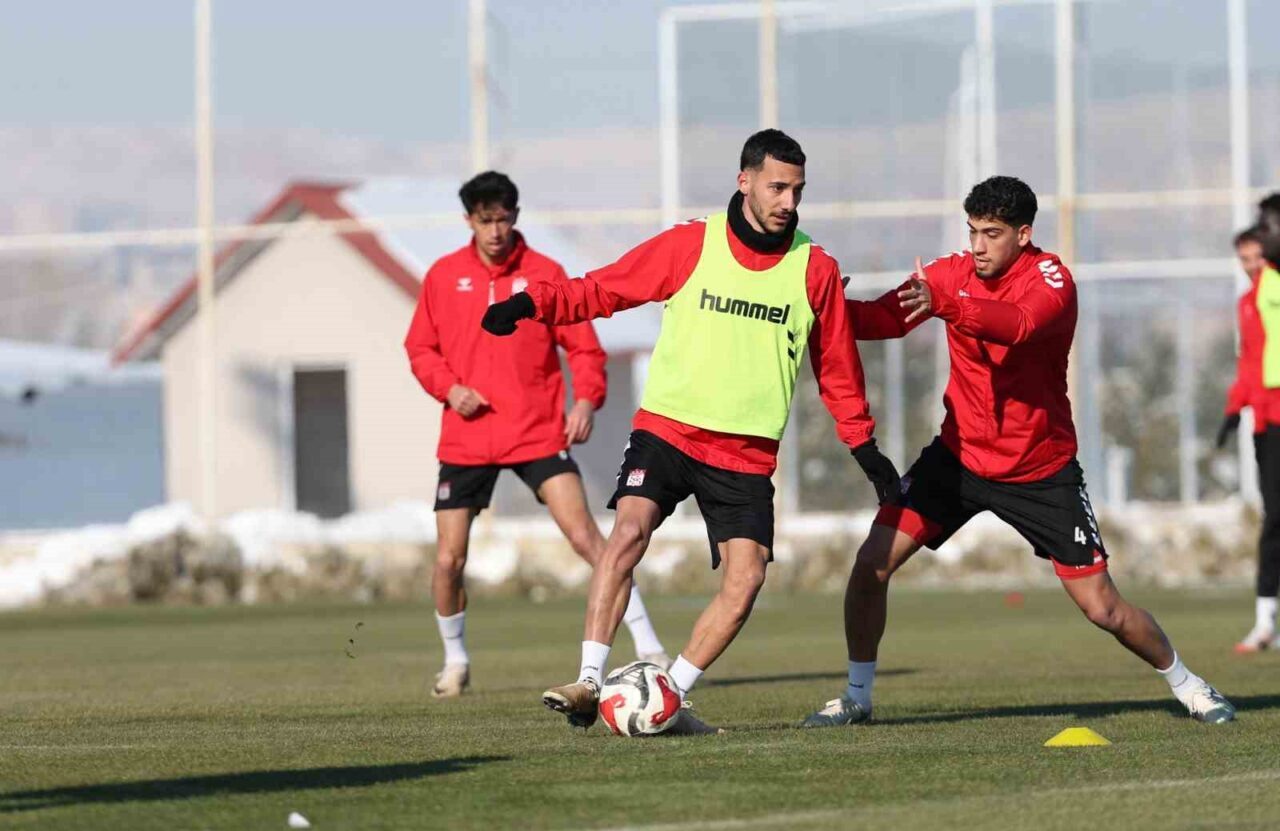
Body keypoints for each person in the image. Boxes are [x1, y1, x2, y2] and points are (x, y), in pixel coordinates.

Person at [481, 130, 900, 734]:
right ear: (745, 181)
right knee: (628, 531)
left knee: (746, 579)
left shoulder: (815, 269)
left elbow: (837, 367)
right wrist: (530, 304)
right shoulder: (692, 244)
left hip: (745, 453)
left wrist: (865, 448)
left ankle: (667, 696)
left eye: (797, 190)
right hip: (669, 429)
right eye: (777, 187)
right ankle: (589, 681)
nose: (788, 202)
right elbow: (604, 288)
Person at [803, 175, 1235, 727]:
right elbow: (882, 320)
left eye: (992, 234)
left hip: (1040, 470)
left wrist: (948, 305)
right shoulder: (951, 274)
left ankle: (1189, 684)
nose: (978, 246)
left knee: (1103, 608)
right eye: (972, 232)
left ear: (1023, 235)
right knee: (871, 564)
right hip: (958, 458)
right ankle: (857, 696)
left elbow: (1021, 326)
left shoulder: (1052, 279)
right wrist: (829, 306)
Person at [404, 171, 670, 698]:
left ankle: (649, 645)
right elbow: (420, 348)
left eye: (503, 219)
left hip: (537, 433)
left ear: (516, 217)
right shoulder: (443, 276)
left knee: (591, 540)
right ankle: (455, 661)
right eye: (485, 221)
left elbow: (586, 348)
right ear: (468, 220)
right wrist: (448, 388)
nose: (495, 231)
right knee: (449, 560)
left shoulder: (545, 274)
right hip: (467, 439)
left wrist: (586, 399)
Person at [1219, 215, 1280, 652]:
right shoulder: (1247, 302)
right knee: (1274, 517)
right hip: (1266, 421)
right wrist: (1233, 408)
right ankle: (1265, 623)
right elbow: (1250, 362)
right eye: (1244, 259)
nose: (1251, 265)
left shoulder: (1274, 287)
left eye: (1257, 257)